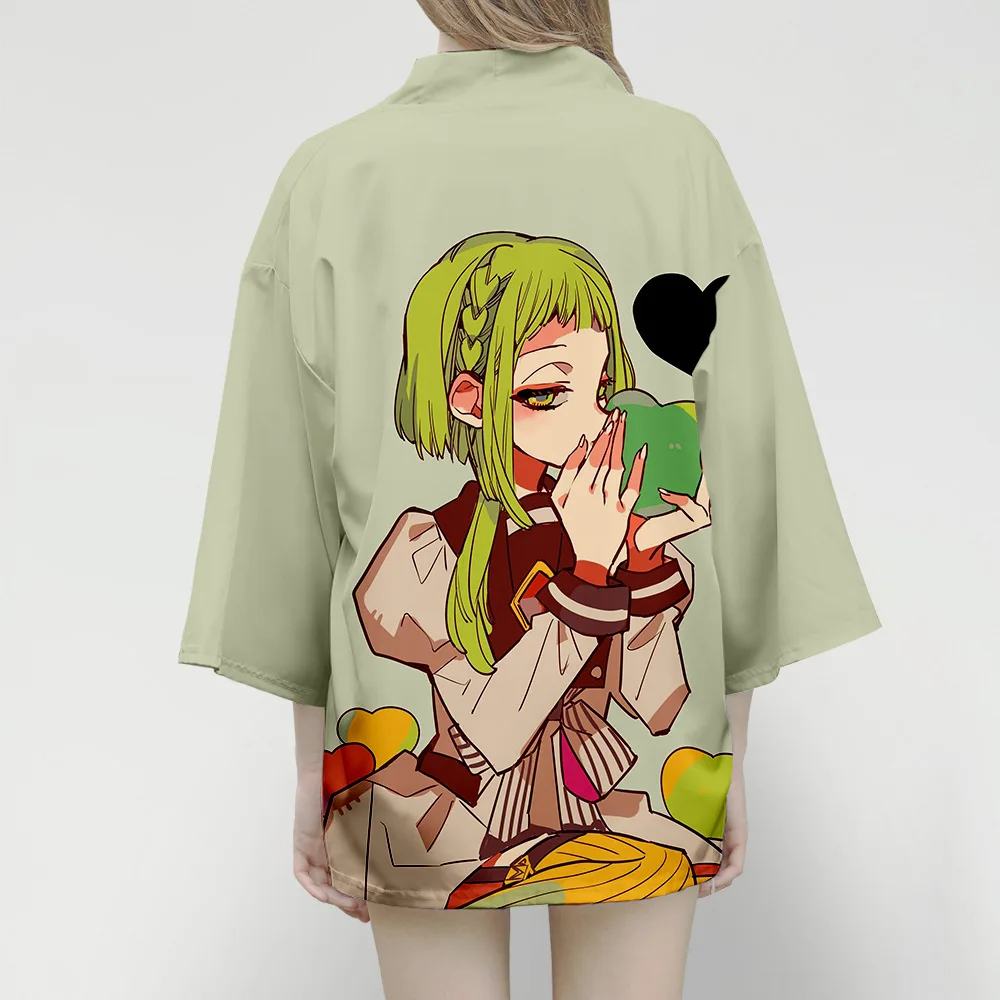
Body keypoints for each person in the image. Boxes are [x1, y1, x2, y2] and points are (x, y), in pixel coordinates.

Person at [176, 2, 883, 998]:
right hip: (442, 812)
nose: (588, 419)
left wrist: (643, 564)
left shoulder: (335, 172)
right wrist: (618, 604)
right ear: (470, 398)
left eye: (601, 388)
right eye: (546, 394)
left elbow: (655, 699)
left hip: (614, 800)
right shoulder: (423, 556)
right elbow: (495, 725)